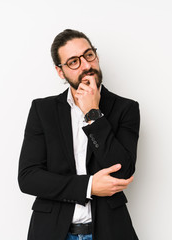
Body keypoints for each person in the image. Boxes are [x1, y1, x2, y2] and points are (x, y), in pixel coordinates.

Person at [18, 29, 140, 240]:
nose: (86, 65)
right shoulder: (42, 110)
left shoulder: (125, 109)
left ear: (96, 56)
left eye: (89, 55)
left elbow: (123, 172)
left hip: (109, 231)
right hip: (52, 232)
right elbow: (29, 178)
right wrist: (89, 186)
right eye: (74, 61)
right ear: (60, 71)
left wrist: (93, 115)